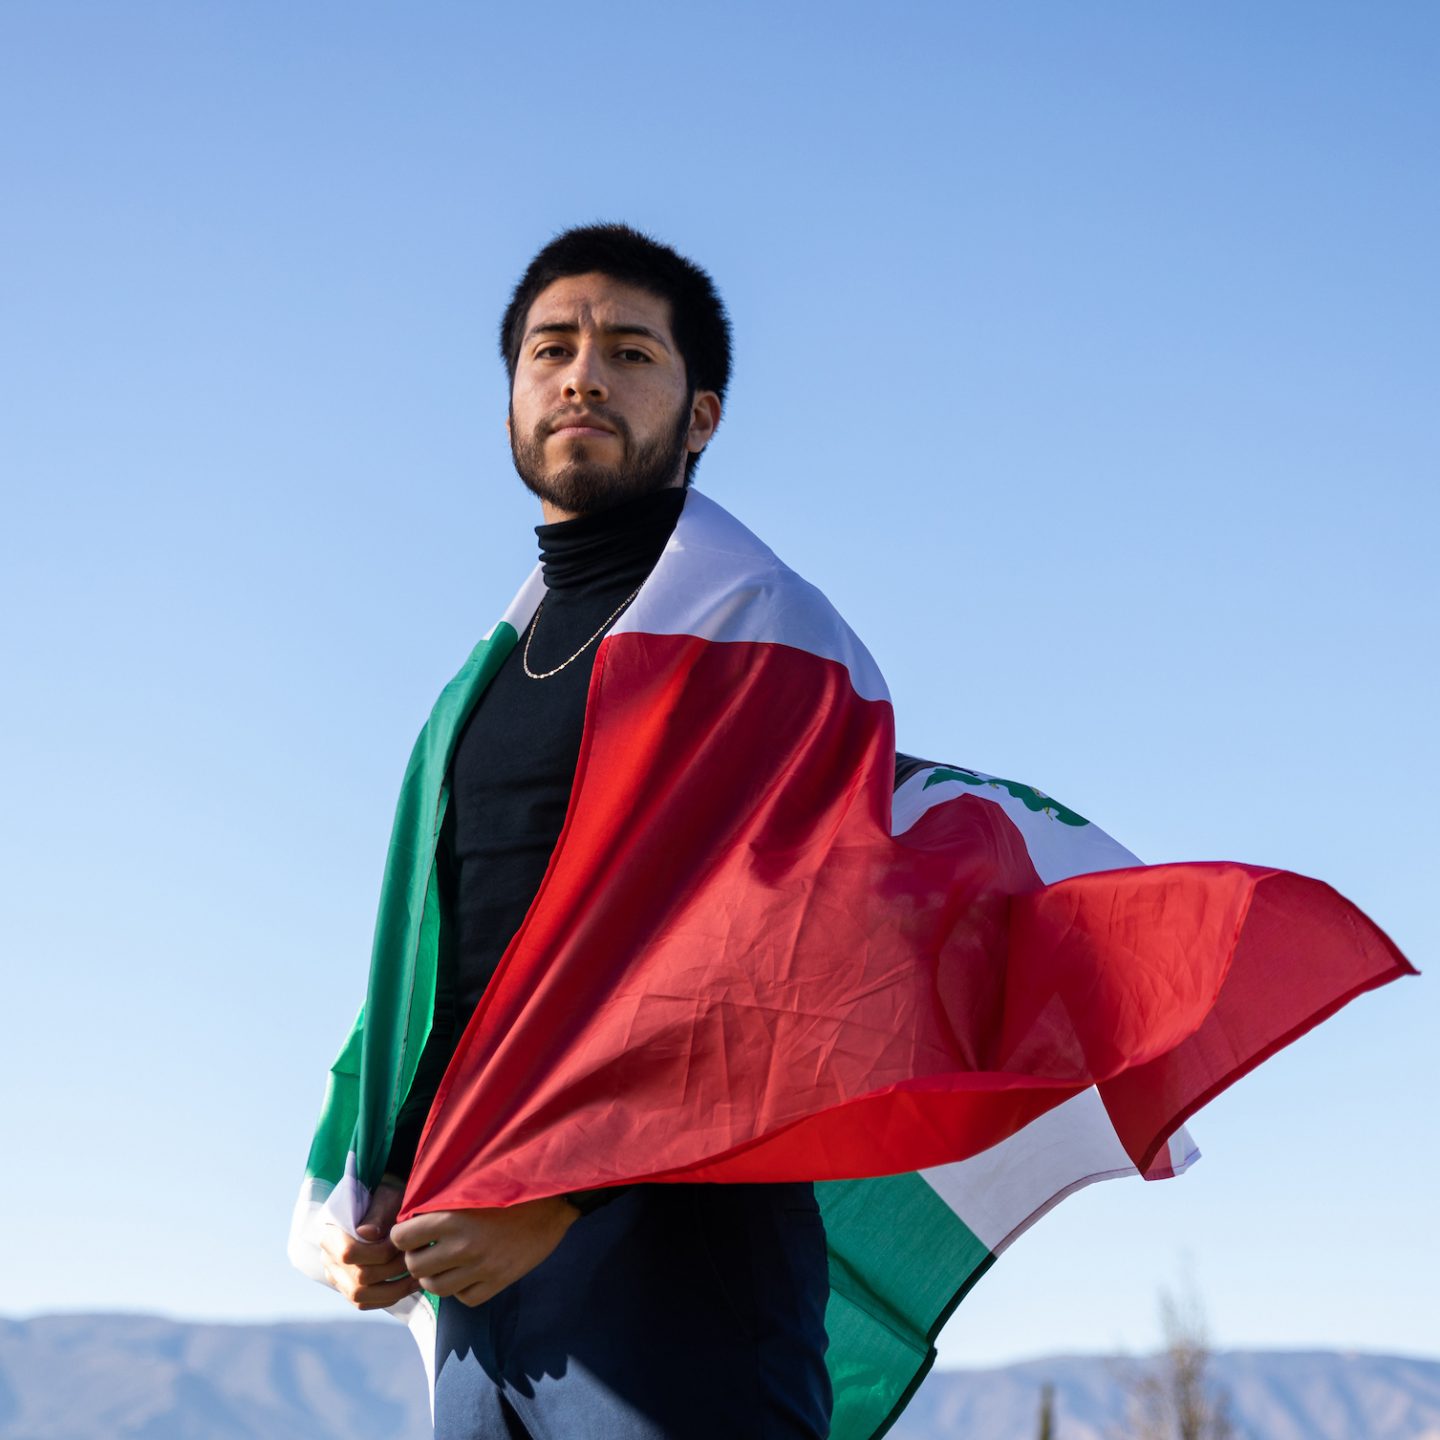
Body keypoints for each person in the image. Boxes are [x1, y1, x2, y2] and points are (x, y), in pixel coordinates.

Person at [317, 224, 835, 1439]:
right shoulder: (475, 692)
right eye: (551, 347)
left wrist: (565, 1202)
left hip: (675, 1269)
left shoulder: (763, 634)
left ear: (700, 416)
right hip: (472, 1279)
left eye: (629, 352)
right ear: (512, 396)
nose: (582, 375)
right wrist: (375, 1184)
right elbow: (436, 967)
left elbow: (773, 966)